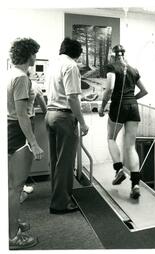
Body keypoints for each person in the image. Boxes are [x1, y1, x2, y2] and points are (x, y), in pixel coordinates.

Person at [45, 37, 89, 214]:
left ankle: (58, 196)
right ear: (77, 53)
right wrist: (83, 123)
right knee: (66, 162)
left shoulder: (53, 64)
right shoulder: (71, 66)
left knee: (56, 161)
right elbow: (71, 97)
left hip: (50, 114)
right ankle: (61, 203)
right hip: (64, 117)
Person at [98, 45, 148, 199]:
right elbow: (144, 91)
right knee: (131, 146)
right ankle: (135, 185)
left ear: (113, 56)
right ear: (124, 55)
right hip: (133, 107)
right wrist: (131, 100)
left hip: (118, 106)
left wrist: (102, 107)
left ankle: (119, 169)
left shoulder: (112, 67)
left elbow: (110, 89)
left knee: (111, 138)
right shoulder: (134, 70)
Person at [7, 37, 43, 249]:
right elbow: (21, 115)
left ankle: (12, 220)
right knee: (15, 188)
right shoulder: (21, 78)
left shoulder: (9, 74)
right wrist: (34, 143)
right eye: (34, 53)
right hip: (18, 133)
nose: (35, 57)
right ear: (29, 55)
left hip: (8, 130)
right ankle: (12, 237)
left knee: (9, 186)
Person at [20, 76, 47, 204]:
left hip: (10, 122)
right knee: (25, 155)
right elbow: (44, 107)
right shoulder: (35, 85)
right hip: (28, 120)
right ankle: (19, 188)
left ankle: (17, 187)